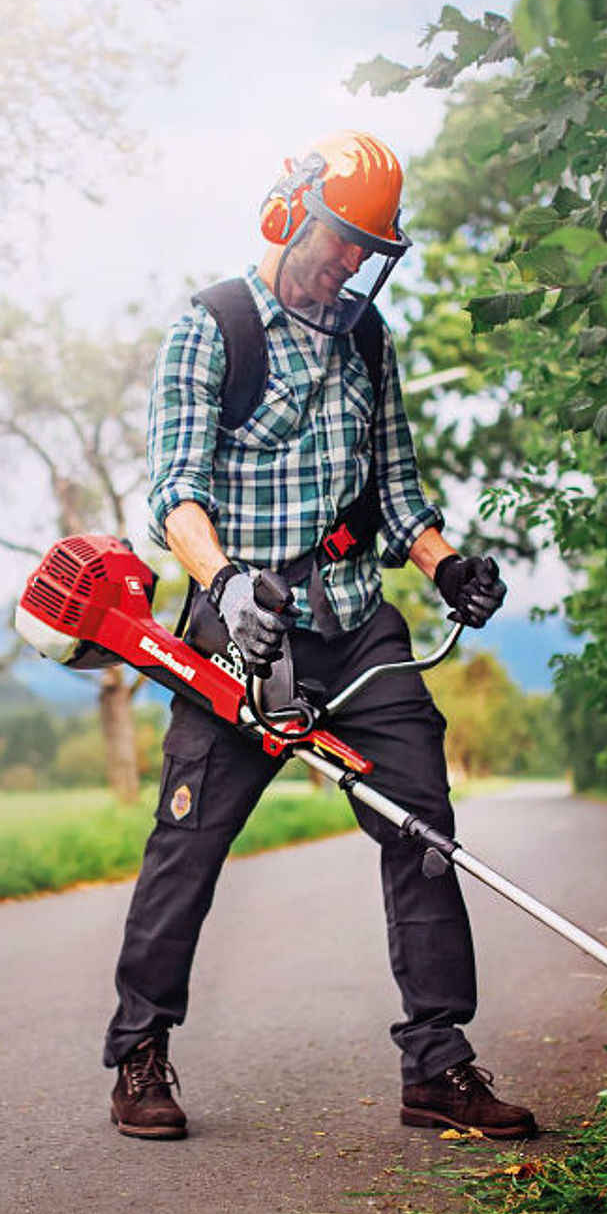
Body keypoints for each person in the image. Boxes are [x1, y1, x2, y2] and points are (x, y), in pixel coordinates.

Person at [105, 130, 535, 1143]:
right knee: (188, 844)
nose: (349, 264)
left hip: (353, 623)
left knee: (423, 834)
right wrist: (224, 584)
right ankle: (139, 1051)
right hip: (243, 632)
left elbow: (398, 493)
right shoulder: (210, 329)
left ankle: (438, 1068)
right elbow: (175, 493)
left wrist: (443, 564)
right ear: (290, 212)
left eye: (367, 250)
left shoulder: (366, 336)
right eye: (340, 241)